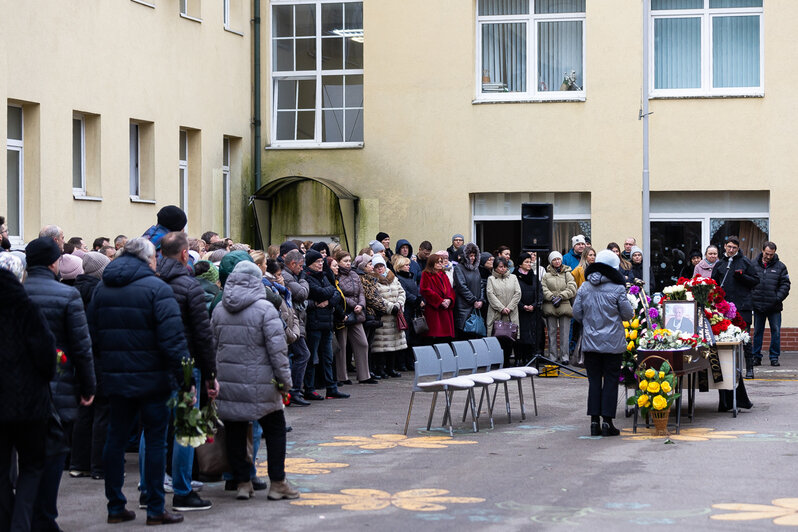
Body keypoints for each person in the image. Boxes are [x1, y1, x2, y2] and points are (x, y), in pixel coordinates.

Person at [89, 238, 188, 525]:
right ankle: (156, 507)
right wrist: (183, 379)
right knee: (156, 441)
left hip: (116, 378)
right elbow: (173, 341)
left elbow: (92, 332)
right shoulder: (157, 289)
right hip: (154, 380)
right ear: (148, 259)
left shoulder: (102, 288)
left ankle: (115, 506)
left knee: (115, 439)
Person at [211, 260, 299, 502]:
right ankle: (278, 482)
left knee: (236, 432)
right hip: (263, 383)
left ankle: (242, 482)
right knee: (275, 429)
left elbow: (212, 347)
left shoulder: (219, 310)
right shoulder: (265, 310)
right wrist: (285, 381)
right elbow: (278, 351)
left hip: (229, 382)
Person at [24, 237, 96, 532]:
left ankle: (24, 516)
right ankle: (45, 518)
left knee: (26, 457)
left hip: (20, 389)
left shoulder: (17, 293)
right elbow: (81, 346)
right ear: (54, 263)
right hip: (60, 385)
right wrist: (89, 386)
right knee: (54, 453)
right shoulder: (67, 297)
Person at [156, 232, 217, 512]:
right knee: (185, 428)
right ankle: (182, 489)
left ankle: (152, 487)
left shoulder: (152, 283)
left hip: (155, 364)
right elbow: (202, 335)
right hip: (185, 365)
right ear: (184, 255)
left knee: (154, 429)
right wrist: (210, 374)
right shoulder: (189, 286)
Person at [0, 254, 56, 532]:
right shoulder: (25, 307)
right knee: (32, 466)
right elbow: (46, 354)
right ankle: (20, 525)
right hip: (28, 403)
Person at [572, 250, 634, 437]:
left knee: (593, 381)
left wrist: (589, 323)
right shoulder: (617, 288)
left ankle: (594, 422)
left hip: (591, 342)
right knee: (611, 380)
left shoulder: (584, 287)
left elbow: (576, 313)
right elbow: (628, 314)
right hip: (613, 343)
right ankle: (607, 422)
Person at [70, 251, 111, 482]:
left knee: (84, 411)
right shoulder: (100, 293)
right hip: (100, 358)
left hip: (82, 359)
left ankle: (78, 463)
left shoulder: (75, 290)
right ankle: (99, 466)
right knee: (103, 413)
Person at [712, 236, 758, 407]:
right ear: (724, 246)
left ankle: (750, 368)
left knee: (744, 344)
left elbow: (755, 281)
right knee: (726, 352)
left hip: (742, 310)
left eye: (734, 247)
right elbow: (714, 285)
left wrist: (742, 277)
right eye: (728, 247)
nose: (731, 250)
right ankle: (726, 400)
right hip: (723, 312)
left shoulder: (745, 262)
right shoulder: (720, 263)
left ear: (738, 248)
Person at [303, 249, 348, 400]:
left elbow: (335, 294)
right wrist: (327, 295)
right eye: (317, 262)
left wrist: (328, 300)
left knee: (328, 357)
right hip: (314, 323)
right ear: (310, 264)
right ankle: (309, 388)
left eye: (322, 262)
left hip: (326, 322)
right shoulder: (307, 277)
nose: (320, 264)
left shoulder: (324, 276)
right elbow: (318, 292)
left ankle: (331, 388)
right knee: (312, 358)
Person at [333, 250, 375, 384]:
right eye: (344, 261)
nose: (348, 263)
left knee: (362, 343)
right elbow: (340, 294)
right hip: (344, 312)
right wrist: (353, 304)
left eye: (349, 261)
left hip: (357, 312)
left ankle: (364, 375)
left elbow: (361, 292)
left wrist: (361, 305)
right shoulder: (336, 275)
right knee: (342, 345)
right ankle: (342, 376)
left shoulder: (354, 274)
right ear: (338, 262)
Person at [751, 241, 790, 367]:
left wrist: (777, 298)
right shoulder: (752, 265)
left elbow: (785, 285)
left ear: (774, 253)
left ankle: (774, 357)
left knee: (776, 331)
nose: (768, 256)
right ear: (762, 251)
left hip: (774, 307)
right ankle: (756, 357)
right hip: (758, 305)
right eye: (767, 253)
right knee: (757, 332)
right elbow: (748, 282)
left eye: (771, 255)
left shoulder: (781, 267)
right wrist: (752, 298)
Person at [282, 249, 312, 406]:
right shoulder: (288, 277)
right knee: (303, 354)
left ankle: (293, 391)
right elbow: (302, 293)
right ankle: (293, 391)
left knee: (299, 355)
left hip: (296, 321)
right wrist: (302, 280)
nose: (302, 269)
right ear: (292, 264)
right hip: (292, 323)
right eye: (300, 266)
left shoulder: (291, 275)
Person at [370, 255, 407, 377]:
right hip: (383, 317)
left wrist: (399, 304)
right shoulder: (373, 280)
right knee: (381, 346)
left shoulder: (393, 278)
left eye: (381, 266)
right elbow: (376, 298)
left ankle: (391, 368)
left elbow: (401, 292)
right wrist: (391, 307)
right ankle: (380, 368)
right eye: (377, 266)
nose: (380, 268)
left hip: (395, 316)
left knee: (394, 344)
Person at [542, 251, 577, 364]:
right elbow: (543, 289)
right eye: (554, 259)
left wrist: (561, 297)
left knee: (564, 333)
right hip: (550, 306)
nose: (557, 261)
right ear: (551, 262)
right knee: (551, 333)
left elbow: (572, 288)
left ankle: (564, 357)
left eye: (558, 259)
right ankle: (552, 356)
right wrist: (551, 297)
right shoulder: (546, 275)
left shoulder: (568, 273)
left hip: (564, 305)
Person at [486, 257, 521, 366]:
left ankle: (507, 361)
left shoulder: (513, 277)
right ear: (495, 268)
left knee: (510, 337)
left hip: (511, 313)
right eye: (500, 267)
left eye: (505, 266)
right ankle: (496, 361)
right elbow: (490, 295)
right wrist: (501, 308)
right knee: (496, 337)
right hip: (496, 313)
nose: (503, 269)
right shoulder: (491, 279)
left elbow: (518, 293)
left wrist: (509, 307)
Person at [393, 255, 423, 371]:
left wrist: (419, 299)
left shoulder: (410, 277)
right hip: (406, 309)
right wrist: (416, 300)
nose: (408, 267)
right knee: (405, 337)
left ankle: (410, 361)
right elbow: (404, 292)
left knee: (412, 338)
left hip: (413, 309)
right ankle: (402, 363)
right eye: (406, 265)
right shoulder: (400, 278)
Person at [419, 252, 455, 343]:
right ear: (432, 263)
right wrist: (440, 301)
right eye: (437, 262)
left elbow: (450, 290)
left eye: (441, 262)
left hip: (445, 309)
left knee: (446, 338)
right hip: (434, 310)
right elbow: (425, 290)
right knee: (435, 336)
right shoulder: (426, 274)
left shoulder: (443, 274)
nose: (440, 264)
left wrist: (449, 299)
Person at [515, 252, 543, 365]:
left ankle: (528, 357)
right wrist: (522, 306)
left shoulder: (535, 277)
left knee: (531, 335)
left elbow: (540, 293)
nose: (529, 264)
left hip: (533, 312)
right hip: (520, 311)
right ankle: (518, 358)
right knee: (520, 336)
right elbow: (513, 294)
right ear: (520, 264)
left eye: (530, 262)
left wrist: (534, 305)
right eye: (526, 262)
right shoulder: (514, 277)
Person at [453, 243, 484, 339]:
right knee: (464, 335)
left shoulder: (476, 269)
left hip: (476, 306)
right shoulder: (459, 268)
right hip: (464, 307)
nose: (473, 258)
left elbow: (481, 285)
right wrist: (474, 300)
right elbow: (461, 286)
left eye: (474, 255)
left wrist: (481, 300)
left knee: (475, 335)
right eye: (470, 255)